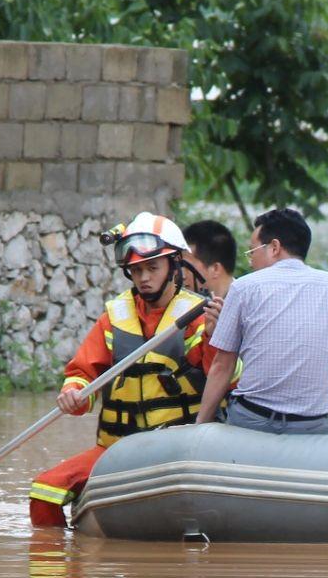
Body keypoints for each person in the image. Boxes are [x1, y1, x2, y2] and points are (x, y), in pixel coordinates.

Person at [29, 211, 214, 527]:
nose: (144, 277)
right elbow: (82, 372)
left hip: (177, 447)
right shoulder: (114, 317)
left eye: (152, 268)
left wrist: (213, 334)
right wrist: (73, 394)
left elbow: (224, 376)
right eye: (136, 270)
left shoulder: (199, 317)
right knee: (44, 490)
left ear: (174, 266)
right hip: (117, 448)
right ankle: (63, 566)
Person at [195, 207, 328, 439]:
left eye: (252, 251)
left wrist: (200, 425)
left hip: (252, 421)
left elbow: (222, 366)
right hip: (312, 427)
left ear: (274, 247)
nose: (251, 261)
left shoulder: (244, 287)